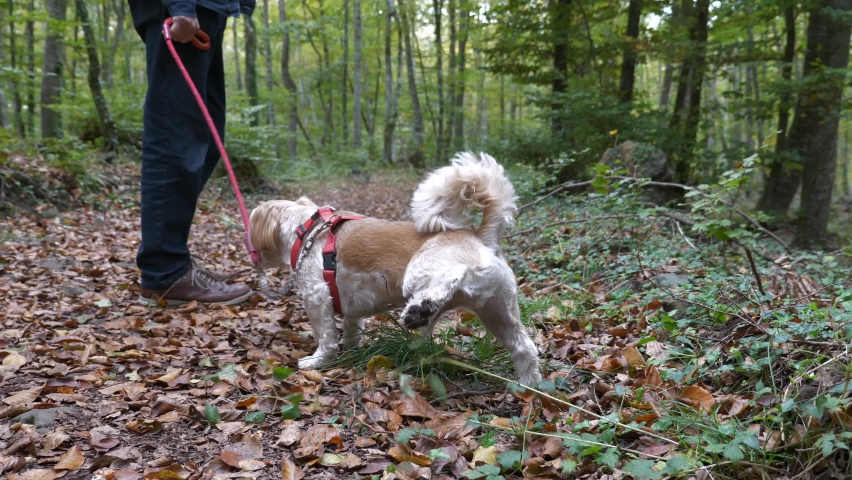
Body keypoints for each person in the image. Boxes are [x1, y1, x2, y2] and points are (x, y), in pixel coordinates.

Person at [129, 0, 256, 306]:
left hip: (211, 9)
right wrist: (181, 6)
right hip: (184, 10)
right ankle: (165, 271)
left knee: (205, 138)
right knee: (176, 136)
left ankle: (171, 259)